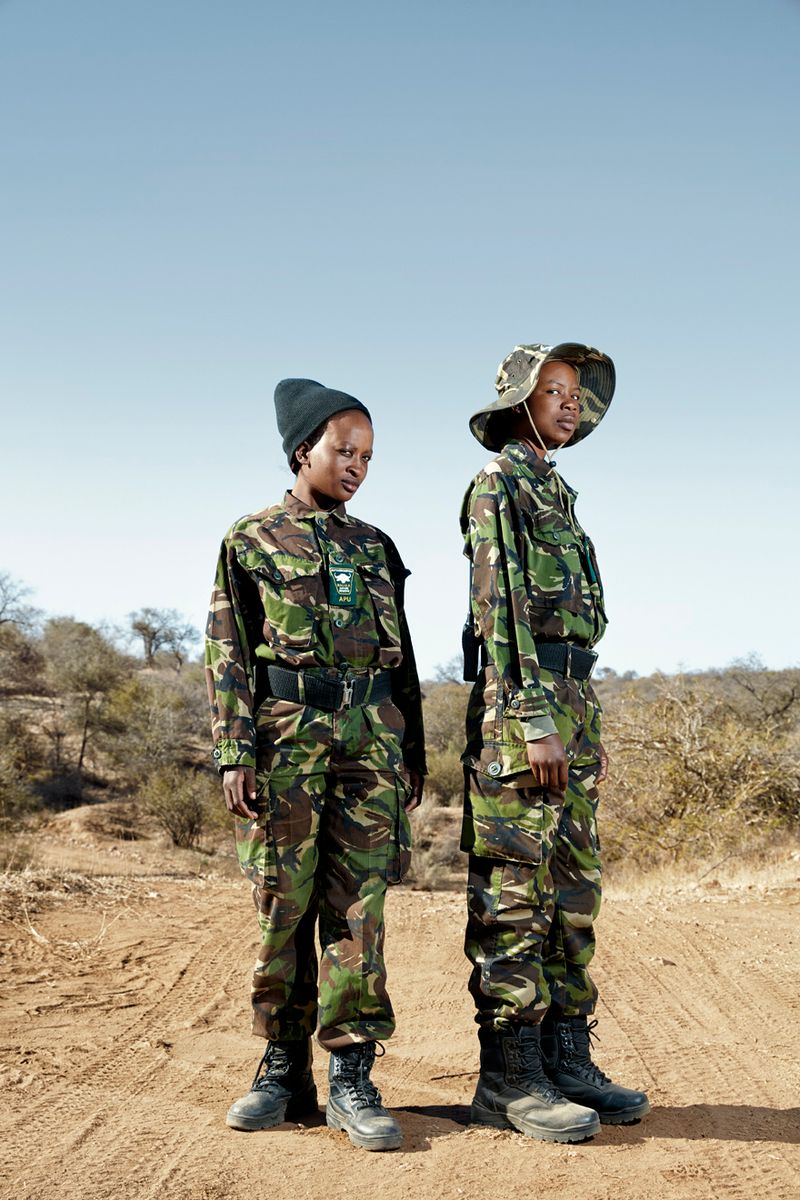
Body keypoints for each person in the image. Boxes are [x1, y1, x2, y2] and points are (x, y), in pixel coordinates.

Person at [204, 378, 425, 1152]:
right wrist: (234, 751)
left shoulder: (377, 546)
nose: (357, 465)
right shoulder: (250, 540)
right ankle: (282, 1069)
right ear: (304, 450)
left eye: (368, 456)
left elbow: (404, 660)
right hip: (285, 739)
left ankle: (352, 1076)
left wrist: (412, 752)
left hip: (370, 742)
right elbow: (228, 653)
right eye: (344, 450)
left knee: (358, 908)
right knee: (284, 903)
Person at [460, 343, 649, 1143]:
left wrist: (578, 720)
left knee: (572, 892)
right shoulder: (497, 484)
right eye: (555, 390)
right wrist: (534, 720)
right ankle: (508, 1079)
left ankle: (566, 1059)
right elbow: (500, 612)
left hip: (573, 701)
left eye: (576, 393)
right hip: (524, 708)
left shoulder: (557, 490)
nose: (570, 403)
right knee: (515, 895)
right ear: (519, 400)